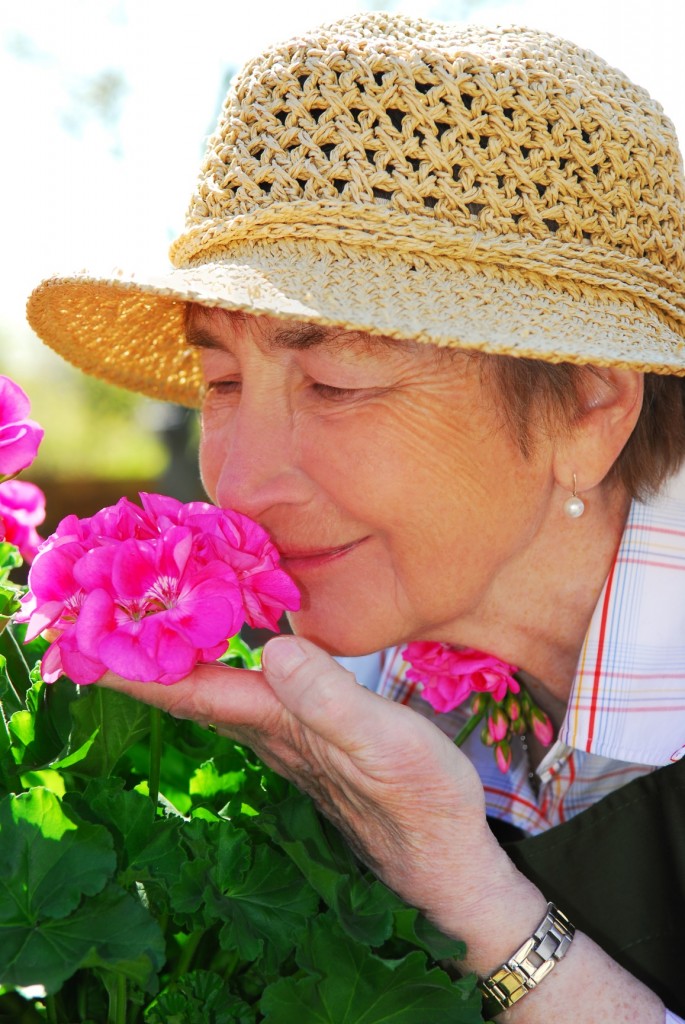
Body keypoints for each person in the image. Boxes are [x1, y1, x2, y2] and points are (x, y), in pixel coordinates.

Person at [26, 13, 685, 1022]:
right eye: (220, 380)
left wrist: (471, 897)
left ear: (592, 409)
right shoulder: (345, 668)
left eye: (334, 382)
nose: (238, 485)